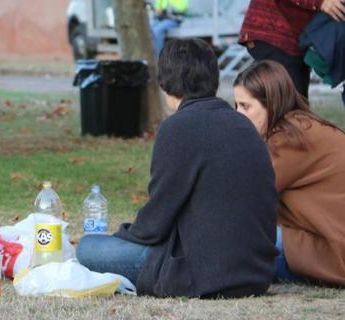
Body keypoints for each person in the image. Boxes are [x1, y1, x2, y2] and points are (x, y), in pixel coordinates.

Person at [77, 38, 278, 298]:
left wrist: (123, 234)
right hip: (255, 273)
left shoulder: (178, 127)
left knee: (87, 248)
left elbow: (155, 223)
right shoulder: (244, 126)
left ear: (165, 83)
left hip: (202, 274)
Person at [233, 60, 345, 286]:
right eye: (235, 106)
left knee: (228, 239)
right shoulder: (299, 127)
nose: (237, 115)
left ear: (272, 103)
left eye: (245, 107)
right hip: (329, 241)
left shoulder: (287, 140)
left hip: (333, 252)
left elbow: (239, 198)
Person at [239, 0, 345, 98]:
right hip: (274, 33)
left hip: (294, 37)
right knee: (290, 106)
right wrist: (319, 2)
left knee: (297, 103)